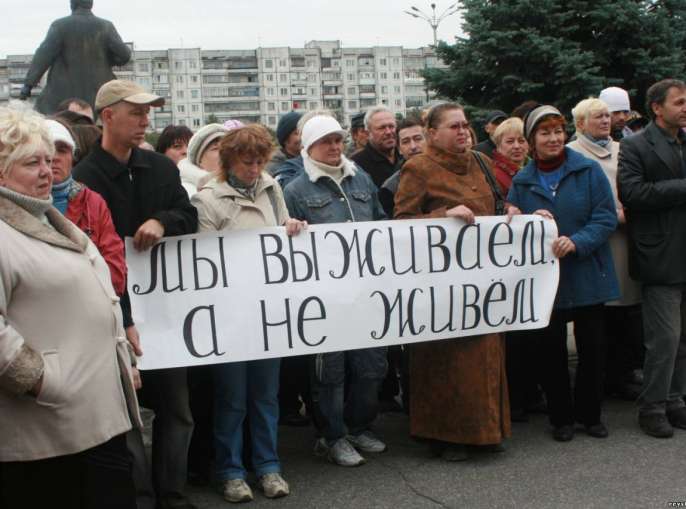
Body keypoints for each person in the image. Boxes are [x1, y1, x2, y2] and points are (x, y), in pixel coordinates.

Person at [0, 105, 140, 509]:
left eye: (49, 159)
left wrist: (121, 356)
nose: (47, 170)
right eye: (31, 162)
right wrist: (42, 380)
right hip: (47, 428)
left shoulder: (47, 218)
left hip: (93, 415)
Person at [73, 79, 198, 509]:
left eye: (148, 113)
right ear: (107, 116)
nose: (146, 121)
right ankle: (139, 497)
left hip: (165, 313)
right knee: (125, 417)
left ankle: (173, 494)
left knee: (177, 410)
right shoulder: (83, 178)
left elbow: (189, 215)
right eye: (136, 112)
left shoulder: (161, 169)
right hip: (113, 313)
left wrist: (163, 220)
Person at [190, 125, 304, 503]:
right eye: (247, 162)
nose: (254, 169)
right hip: (231, 316)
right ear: (228, 161)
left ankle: (268, 467)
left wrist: (292, 227)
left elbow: (284, 230)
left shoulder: (272, 189)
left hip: (268, 311)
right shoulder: (207, 200)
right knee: (232, 398)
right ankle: (231, 471)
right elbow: (206, 258)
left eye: (260, 161)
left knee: (265, 396)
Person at [394, 102, 512, 461]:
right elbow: (399, 224)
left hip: (484, 280)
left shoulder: (481, 162)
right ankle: (446, 436)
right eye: (454, 126)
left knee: (486, 357)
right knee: (448, 362)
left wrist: (510, 213)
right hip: (441, 285)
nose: (463, 131)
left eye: (465, 126)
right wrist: (443, 215)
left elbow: (494, 204)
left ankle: (487, 431)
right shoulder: (418, 169)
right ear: (432, 134)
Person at [507, 105, 619, 442]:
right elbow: (514, 222)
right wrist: (517, 214)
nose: (554, 138)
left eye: (558, 131)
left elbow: (605, 218)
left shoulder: (588, 170)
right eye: (545, 133)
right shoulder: (522, 180)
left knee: (593, 350)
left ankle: (590, 415)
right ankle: (562, 418)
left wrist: (578, 241)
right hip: (548, 283)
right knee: (550, 352)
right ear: (531, 140)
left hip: (587, 273)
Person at [284, 115, 388, 467]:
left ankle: (359, 427)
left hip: (366, 293)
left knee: (371, 365)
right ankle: (332, 437)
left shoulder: (362, 179)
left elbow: (381, 222)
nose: (333, 147)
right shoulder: (296, 190)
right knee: (329, 372)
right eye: (325, 141)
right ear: (308, 147)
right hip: (325, 300)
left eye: (338, 140)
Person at [617, 78, 686, 438]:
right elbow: (632, 192)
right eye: (679, 102)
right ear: (657, 108)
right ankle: (653, 407)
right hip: (661, 256)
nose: (685, 106)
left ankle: (676, 401)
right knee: (664, 339)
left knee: (683, 337)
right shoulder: (636, 146)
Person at [568, 98, 644, 401]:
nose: (604, 121)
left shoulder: (621, 148)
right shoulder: (573, 154)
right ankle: (603, 378)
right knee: (603, 313)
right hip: (598, 241)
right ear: (580, 124)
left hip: (628, 239)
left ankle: (622, 372)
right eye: (597, 117)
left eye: (605, 116)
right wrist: (611, 216)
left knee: (628, 310)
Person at [46, 119, 126, 297]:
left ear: (73, 157)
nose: (54, 157)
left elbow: (116, 275)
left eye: (62, 149)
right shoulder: (17, 203)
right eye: (47, 149)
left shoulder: (92, 202)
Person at [20, 0, 131, 114]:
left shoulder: (60, 25)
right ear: (90, 4)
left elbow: (43, 56)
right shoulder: (106, 26)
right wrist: (105, 61)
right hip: (99, 95)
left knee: (46, 122)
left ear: (73, 4)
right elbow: (124, 55)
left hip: (63, 98)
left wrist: (28, 85)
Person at [378, 118, 426, 227]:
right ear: (399, 149)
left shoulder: (448, 172)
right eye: (406, 142)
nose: (413, 146)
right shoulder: (390, 188)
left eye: (418, 139)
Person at [352, 106, 403, 187]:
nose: (388, 132)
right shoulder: (356, 166)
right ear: (368, 133)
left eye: (391, 126)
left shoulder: (405, 156)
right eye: (382, 128)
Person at [177, 123, 230, 197]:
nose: (224, 152)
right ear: (199, 161)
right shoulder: (187, 192)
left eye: (226, 148)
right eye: (215, 148)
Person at [490, 117, 528, 195]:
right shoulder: (493, 176)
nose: (517, 146)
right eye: (510, 142)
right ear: (498, 145)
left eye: (521, 141)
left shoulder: (536, 170)